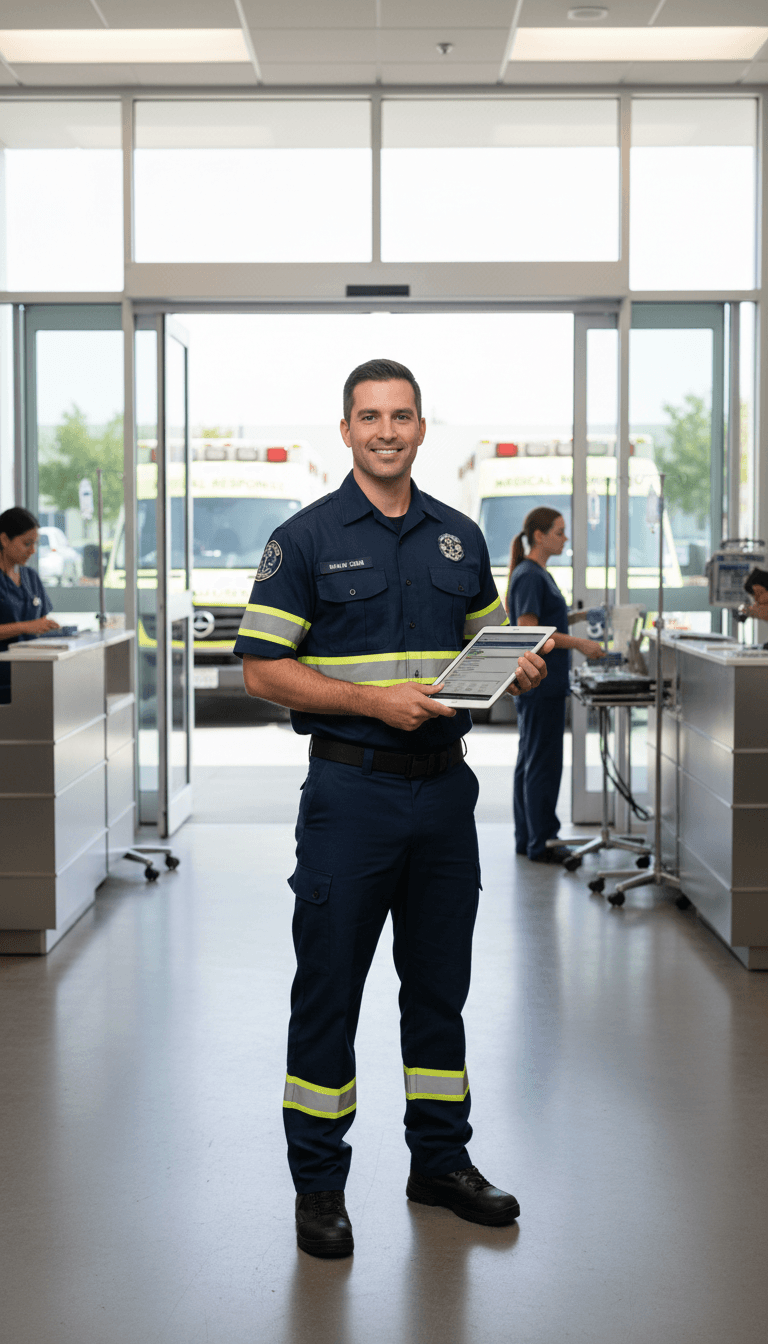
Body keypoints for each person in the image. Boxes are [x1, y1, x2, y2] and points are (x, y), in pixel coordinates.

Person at [234, 358, 553, 1260]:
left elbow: (486, 643)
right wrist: (374, 702)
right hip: (351, 794)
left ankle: (440, 1162)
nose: (385, 430)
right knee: (329, 993)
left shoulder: (460, 537)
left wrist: (516, 663)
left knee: (439, 991)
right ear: (345, 431)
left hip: (445, 794)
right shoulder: (300, 540)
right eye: (368, 416)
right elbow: (261, 669)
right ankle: (319, 1187)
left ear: (421, 427)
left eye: (401, 415)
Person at [506, 507, 604, 864]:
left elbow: (546, 620)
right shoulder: (530, 575)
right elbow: (529, 632)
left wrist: (578, 618)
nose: (565, 539)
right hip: (540, 684)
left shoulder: (535, 573)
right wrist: (580, 643)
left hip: (541, 686)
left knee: (530, 761)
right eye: (560, 532)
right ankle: (543, 841)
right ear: (540, 536)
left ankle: (527, 838)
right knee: (542, 764)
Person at [0, 507, 60, 704]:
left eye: (35, 544)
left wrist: (50, 628)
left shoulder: (30, 577)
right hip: (4, 677)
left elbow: (40, 620)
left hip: (33, 675)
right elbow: (30, 626)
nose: (32, 551)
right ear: (4, 540)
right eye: (26, 543)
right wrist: (26, 627)